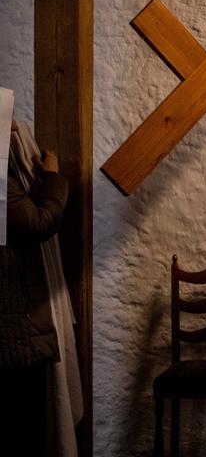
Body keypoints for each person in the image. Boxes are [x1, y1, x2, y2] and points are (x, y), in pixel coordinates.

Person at [0, 115, 82, 457]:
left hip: (16, 320)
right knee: (21, 430)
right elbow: (36, 223)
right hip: (13, 318)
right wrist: (51, 176)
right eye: (7, 119)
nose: (18, 127)